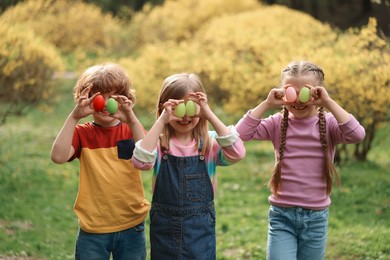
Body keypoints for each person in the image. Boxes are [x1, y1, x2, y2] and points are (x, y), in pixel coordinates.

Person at [235, 61, 365, 260]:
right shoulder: (277, 122)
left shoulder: (329, 123)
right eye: (290, 91)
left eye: (305, 91)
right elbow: (240, 133)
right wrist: (267, 103)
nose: (298, 99)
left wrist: (329, 103)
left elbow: (357, 135)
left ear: (318, 92)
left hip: (316, 217)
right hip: (281, 216)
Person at [131, 73, 246, 259]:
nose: (185, 116)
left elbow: (237, 153)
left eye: (191, 108)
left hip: (200, 231)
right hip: (164, 232)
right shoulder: (159, 145)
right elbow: (140, 162)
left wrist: (208, 113)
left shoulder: (209, 143)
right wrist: (161, 121)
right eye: (178, 108)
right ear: (165, 109)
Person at [50, 63, 150, 260]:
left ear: (125, 99)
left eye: (111, 97)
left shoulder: (131, 130)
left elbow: (148, 158)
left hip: (131, 223)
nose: (104, 103)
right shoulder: (82, 133)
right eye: (98, 97)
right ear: (86, 99)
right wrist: (74, 117)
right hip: (93, 227)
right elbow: (58, 157)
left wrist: (131, 119)